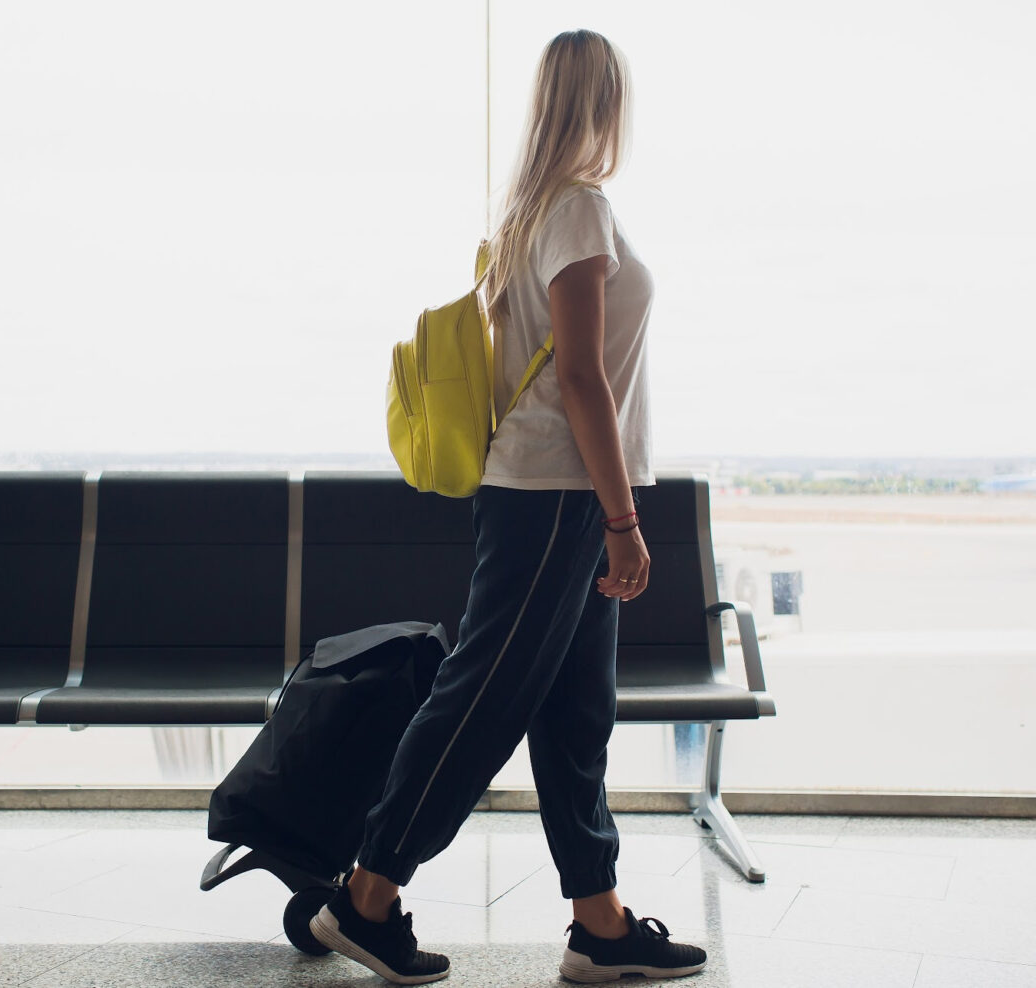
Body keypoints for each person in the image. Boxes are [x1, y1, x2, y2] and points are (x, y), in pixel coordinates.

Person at [310, 28, 707, 985]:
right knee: (481, 704)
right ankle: (365, 896)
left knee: (577, 713)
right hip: (556, 500)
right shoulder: (577, 210)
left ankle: (599, 924)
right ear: (605, 101)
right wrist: (623, 521)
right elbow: (581, 378)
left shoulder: (535, 210)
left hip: (551, 498)